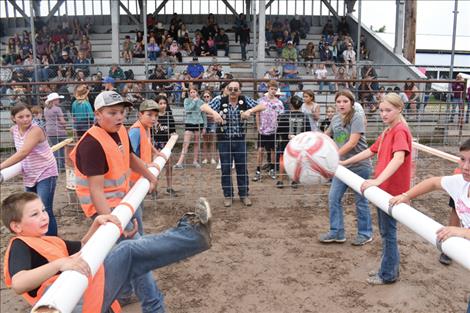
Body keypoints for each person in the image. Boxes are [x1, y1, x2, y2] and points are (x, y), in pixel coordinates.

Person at [2, 191, 212, 313]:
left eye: (44, 210)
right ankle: (192, 234)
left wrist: (95, 226)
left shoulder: (48, 240)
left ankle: (192, 235)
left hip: (84, 292)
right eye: (35, 214)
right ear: (16, 227)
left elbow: (83, 247)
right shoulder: (20, 245)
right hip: (73, 303)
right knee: (129, 251)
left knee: (132, 254)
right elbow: (19, 283)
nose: (44, 216)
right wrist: (58, 265)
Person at [69, 90, 169, 311]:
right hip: (105, 210)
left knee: (129, 251)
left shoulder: (120, 130)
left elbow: (130, 158)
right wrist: (115, 223)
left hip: (123, 201)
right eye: (112, 112)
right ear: (97, 114)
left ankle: (123, 295)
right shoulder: (91, 144)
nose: (119, 117)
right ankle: (153, 306)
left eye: (121, 112)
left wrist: (150, 175)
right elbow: (96, 191)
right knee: (137, 253)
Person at [341, 93, 412, 285]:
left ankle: (388, 274)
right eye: (381, 110)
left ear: (399, 109)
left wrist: (377, 180)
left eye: (388, 110)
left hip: (392, 192)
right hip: (384, 189)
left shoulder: (399, 131)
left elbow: (398, 158)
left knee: (388, 233)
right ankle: (388, 269)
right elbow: (370, 151)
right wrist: (345, 162)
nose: (384, 114)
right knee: (386, 232)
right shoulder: (388, 131)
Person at [389, 139, 470, 279]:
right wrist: (406, 195)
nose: (465, 167)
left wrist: (463, 231)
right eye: (463, 159)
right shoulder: (461, 182)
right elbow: (433, 183)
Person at [319, 90, 373, 246]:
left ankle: (365, 233)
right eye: (338, 101)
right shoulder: (335, 119)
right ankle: (337, 232)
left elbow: (352, 143)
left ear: (351, 103)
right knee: (333, 198)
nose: (341, 104)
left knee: (360, 201)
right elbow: (325, 136)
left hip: (359, 165)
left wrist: (333, 157)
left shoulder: (357, 117)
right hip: (341, 167)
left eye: (345, 101)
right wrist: (307, 141)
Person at [201, 80, 266, 207]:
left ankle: (244, 195)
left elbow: (262, 106)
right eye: (230, 89)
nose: (233, 92)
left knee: (242, 168)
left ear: (239, 91)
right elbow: (203, 107)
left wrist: (250, 111)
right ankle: (228, 195)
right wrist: (214, 113)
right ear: (226, 90)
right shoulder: (220, 100)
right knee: (225, 168)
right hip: (224, 140)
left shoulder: (244, 100)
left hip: (240, 139)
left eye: (235, 89)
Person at [0, 104, 59, 236]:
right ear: (13, 118)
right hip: (29, 173)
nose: (26, 119)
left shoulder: (36, 130)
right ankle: (39, 237)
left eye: (28, 116)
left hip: (45, 172)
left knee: (45, 209)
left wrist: (1, 166)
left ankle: (52, 240)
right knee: (31, 208)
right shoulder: (14, 130)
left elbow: (23, 152)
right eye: (21, 117)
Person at [128, 99, 163, 235]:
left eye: (156, 115)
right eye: (149, 114)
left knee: (138, 210)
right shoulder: (136, 131)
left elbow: (146, 143)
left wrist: (156, 152)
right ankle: (138, 240)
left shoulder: (145, 128)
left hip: (140, 177)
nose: (153, 118)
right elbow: (128, 155)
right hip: (132, 180)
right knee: (135, 215)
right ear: (140, 114)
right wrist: (146, 164)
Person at [275, 95, 311, 188]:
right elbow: (308, 131)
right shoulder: (304, 116)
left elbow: (279, 130)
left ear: (290, 105)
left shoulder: (284, 115)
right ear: (301, 105)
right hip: (299, 143)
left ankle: (280, 180)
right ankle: (294, 180)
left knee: (282, 159)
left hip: (285, 142)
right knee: (296, 160)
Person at [253, 80, 285, 182]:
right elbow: (257, 114)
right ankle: (258, 171)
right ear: (268, 89)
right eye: (272, 89)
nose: (273, 91)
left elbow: (281, 116)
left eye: (275, 89)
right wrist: (258, 126)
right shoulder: (261, 100)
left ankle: (272, 169)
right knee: (260, 150)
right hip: (263, 130)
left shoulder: (279, 102)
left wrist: (278, 127)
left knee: (272, 150)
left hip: (273, 130)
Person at [174, 87, 206, 169]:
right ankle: (179, 162)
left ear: (197, 92)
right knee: (186, 143)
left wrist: (205, 127)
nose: (192, 94)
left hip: (199, 123)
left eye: (194, 92)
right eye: (191, 92)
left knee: (196, 143)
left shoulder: (201, 102)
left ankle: (195, 161)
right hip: (189, 123)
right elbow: (188, 110)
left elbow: (204, 115)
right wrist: (194, 102)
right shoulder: (186, 101)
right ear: (189, 93)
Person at [152, 95, 177, 196]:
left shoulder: (169, 116)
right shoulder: (153, 116)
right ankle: (154, 189)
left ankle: (169, 187)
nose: (163, 105)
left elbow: (173, 131)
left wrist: (172, 137)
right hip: (156, 145)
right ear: (156, 104)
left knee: (169, 167)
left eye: (164, 103)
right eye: (160, 103)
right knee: (155, 168)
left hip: (167, 145)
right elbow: (150, 132)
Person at [44, 92, 68, 172]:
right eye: (57, 99)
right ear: (54, 100)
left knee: (55, 148)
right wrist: (66, 127)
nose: (59, 101)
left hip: (50, 131)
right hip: (59, 130)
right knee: (63, 148)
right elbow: (62, 121)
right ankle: (62, 166)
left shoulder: (45, 109)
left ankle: (57, 166)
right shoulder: (57, 109)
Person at [201, 90, 218, 166]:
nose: (206, 98)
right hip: (204, 124)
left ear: (210, 97)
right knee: (205, 141)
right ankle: (205, 158)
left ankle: (212, 158)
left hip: (212, 123)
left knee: (212, 141)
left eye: (207, 96)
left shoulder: (213, 105)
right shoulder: (202, 105)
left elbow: (215, 115)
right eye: (205, 97)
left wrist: (207, 115)